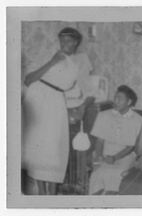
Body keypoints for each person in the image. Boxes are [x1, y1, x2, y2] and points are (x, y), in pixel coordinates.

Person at [22, 27, 95, 195]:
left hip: (55, 102)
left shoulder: (80, 61)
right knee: (38, 149)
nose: (64, 44)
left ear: (75, 42)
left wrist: (82, 107)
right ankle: (42, 194)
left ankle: (52, 196)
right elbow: (28, 80)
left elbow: (90, 92)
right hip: (36, 98)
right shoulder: (50, 55)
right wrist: (52, 61)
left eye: (68, 41)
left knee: (54, 149)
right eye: (62, 40)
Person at [88, 85, 142, 195]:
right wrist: (99, 154)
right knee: (98, 173)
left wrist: (114, 158)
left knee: (116, 174)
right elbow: (99, 141)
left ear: (129, 102)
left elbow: (130, 147)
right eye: (115, 98)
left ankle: (111, 204)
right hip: (104, 153)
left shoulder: (137, 120)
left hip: (125, 156)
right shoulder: (104, 115)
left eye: (120, 98)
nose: (116, 101)